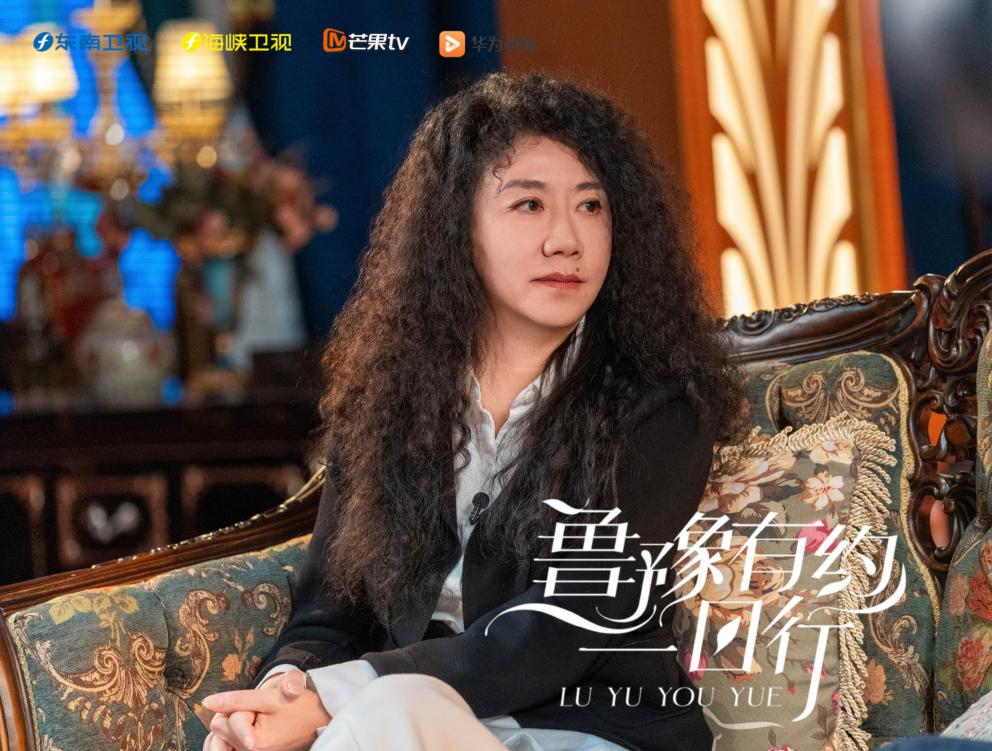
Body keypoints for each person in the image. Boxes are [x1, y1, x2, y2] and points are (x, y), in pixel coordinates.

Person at [200, 71, 742, 751]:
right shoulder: (389, 401)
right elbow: (328, 613)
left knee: (394, 709)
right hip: (401, 728)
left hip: (584, 735)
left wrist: (334, 696)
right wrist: (278, 695)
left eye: (591, 205)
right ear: (457, 226)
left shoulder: (659, 407)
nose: (566, 239)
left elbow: (558, 628)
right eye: (529, 205)